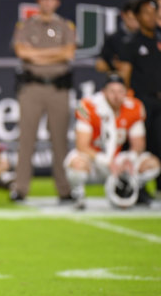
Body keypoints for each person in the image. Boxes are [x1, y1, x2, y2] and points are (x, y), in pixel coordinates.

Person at [11, 0, 75, 202]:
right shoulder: (26, 25)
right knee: (26, 139)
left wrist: (37, 54)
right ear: (38, 1)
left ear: (57, 2)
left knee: (60, 140)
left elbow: (68, 54)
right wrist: (53, 54)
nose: (48, 2)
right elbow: (22, 52)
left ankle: (64, 190)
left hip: (58, 88)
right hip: (32, 87)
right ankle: (20, 188)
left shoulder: (66, 26)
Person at [64, 73, 160, 209]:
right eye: (112, 91)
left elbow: (139, 145)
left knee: (153, 164)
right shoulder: (87, 106)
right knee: (77, 164)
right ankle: (78, 194)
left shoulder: (134, 107)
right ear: (103, 92)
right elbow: (82, 146)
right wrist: (107, 161)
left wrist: (129, 158)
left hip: (119, 160)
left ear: (126, 92)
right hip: (95, 160)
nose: (116, 96)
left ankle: (126, 187)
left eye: (120, 91)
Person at [118, 0, 161, 198]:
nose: (151, 17)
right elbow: (125, 73)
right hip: (140, 102)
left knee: (159, 143)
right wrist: (128, 100)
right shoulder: (131, 43)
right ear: (137, 16)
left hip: (159, 100)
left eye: (154, 13)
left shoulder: (159, 39)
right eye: (146, 13)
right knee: (139, 145)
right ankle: (139, 188)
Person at [95, 0, 140, 74]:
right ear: (123, 15)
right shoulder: (113, 39)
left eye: (137, 19)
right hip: (121, 80)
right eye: (131, 18)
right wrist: (114, 65)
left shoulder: (150, 37)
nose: (134, 22)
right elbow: (100, 64)